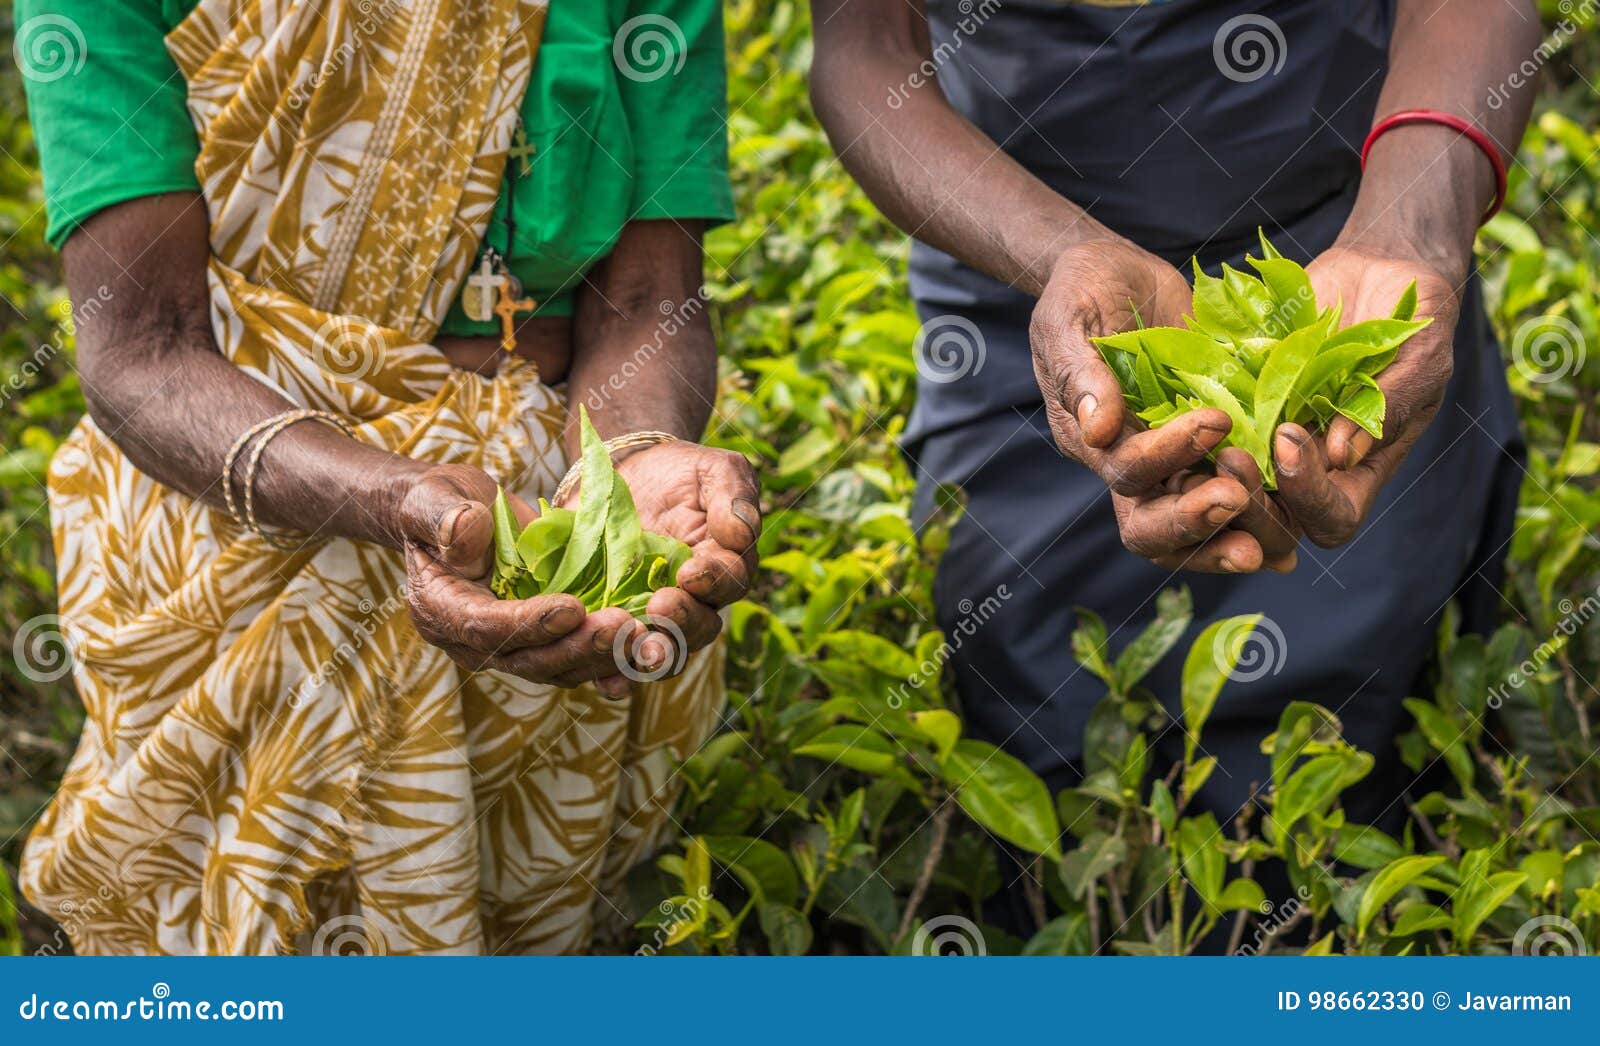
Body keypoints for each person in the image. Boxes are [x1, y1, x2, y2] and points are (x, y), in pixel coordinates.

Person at [17, 0, 758, 955]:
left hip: (548, 509)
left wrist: (639, 457)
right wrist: (396, 496)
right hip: (236, 513)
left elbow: (651, 299)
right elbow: (144, 350)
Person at [809, 0, 1538, 901]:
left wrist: (1411, 231)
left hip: (1350, 247)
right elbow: (864, 52)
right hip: (1027, 274)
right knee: (1061, 735)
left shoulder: (1379, 246)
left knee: (1382, 736)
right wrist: (1066, 254)